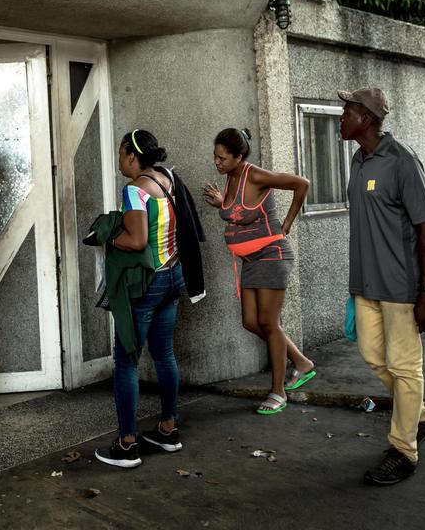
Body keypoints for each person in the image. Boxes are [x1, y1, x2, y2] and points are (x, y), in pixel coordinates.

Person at [338, 87, 425, 486]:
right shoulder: (356, 161)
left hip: (401, 287)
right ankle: (423, 416)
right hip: (365, 285)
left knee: (404, 367)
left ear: (366, 118)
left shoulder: (402, 162)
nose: (341, 118)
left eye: (347, 111)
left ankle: (404, 450)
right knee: (373, 357)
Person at [201, 128, 313, 415]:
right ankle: (301, 362)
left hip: (271, 256)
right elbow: (238, 212)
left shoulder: (255, 175)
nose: (217, 162)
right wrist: (221, 204)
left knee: (269, 323)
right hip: (250, 261)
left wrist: (287, 224)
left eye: (222, 158)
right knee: (251, 322)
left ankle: (278, 392)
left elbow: (302, 183)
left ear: (239, 156)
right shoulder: (230, 178)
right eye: (215, 156)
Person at [93, 129, 186, 468]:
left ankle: (127, 443)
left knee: (127, 361)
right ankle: (168, 428)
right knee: (164, 354)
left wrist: (105, 236)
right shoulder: (166, 179)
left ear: (132, 156)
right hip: (173, 275)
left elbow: (135, 240)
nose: (119, 161)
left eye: (120, 154)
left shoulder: (134, 190)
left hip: (147, 283)